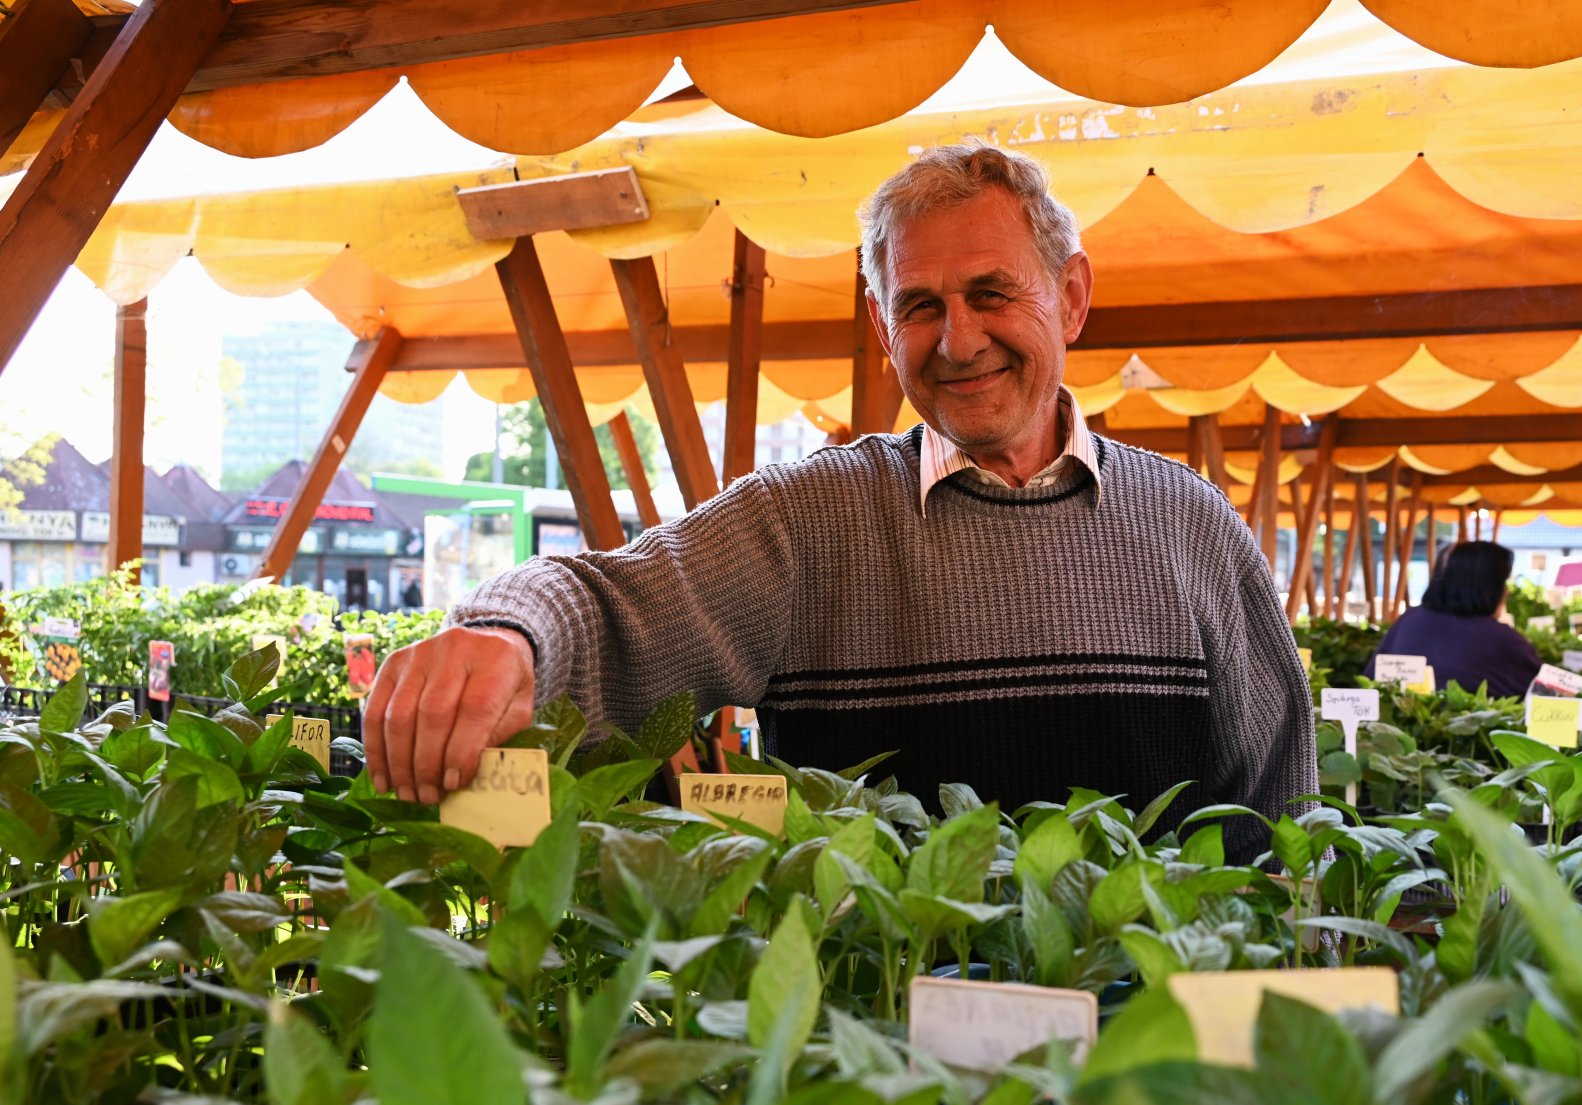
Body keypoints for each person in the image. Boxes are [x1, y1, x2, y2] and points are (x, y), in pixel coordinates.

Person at [363, 143, 1315, 856]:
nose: (958, 339)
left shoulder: (1190, 524)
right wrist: (502, 636)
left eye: (992, 294)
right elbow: (612, 603)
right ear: (881, 322)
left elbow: (1283, 812)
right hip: (878, 1076)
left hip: (1141, 1064)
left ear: (1069, 298)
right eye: (921, 306)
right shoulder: (810, 522)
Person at [1365, 541, 1540, 698]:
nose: (1506, 592)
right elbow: (1548, 695)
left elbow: (1370, 681)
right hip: (1472, 732)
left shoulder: (1410, 619)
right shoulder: (1504, 640)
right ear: (1491, 588)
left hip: (1393, 726)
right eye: (1503, 584)